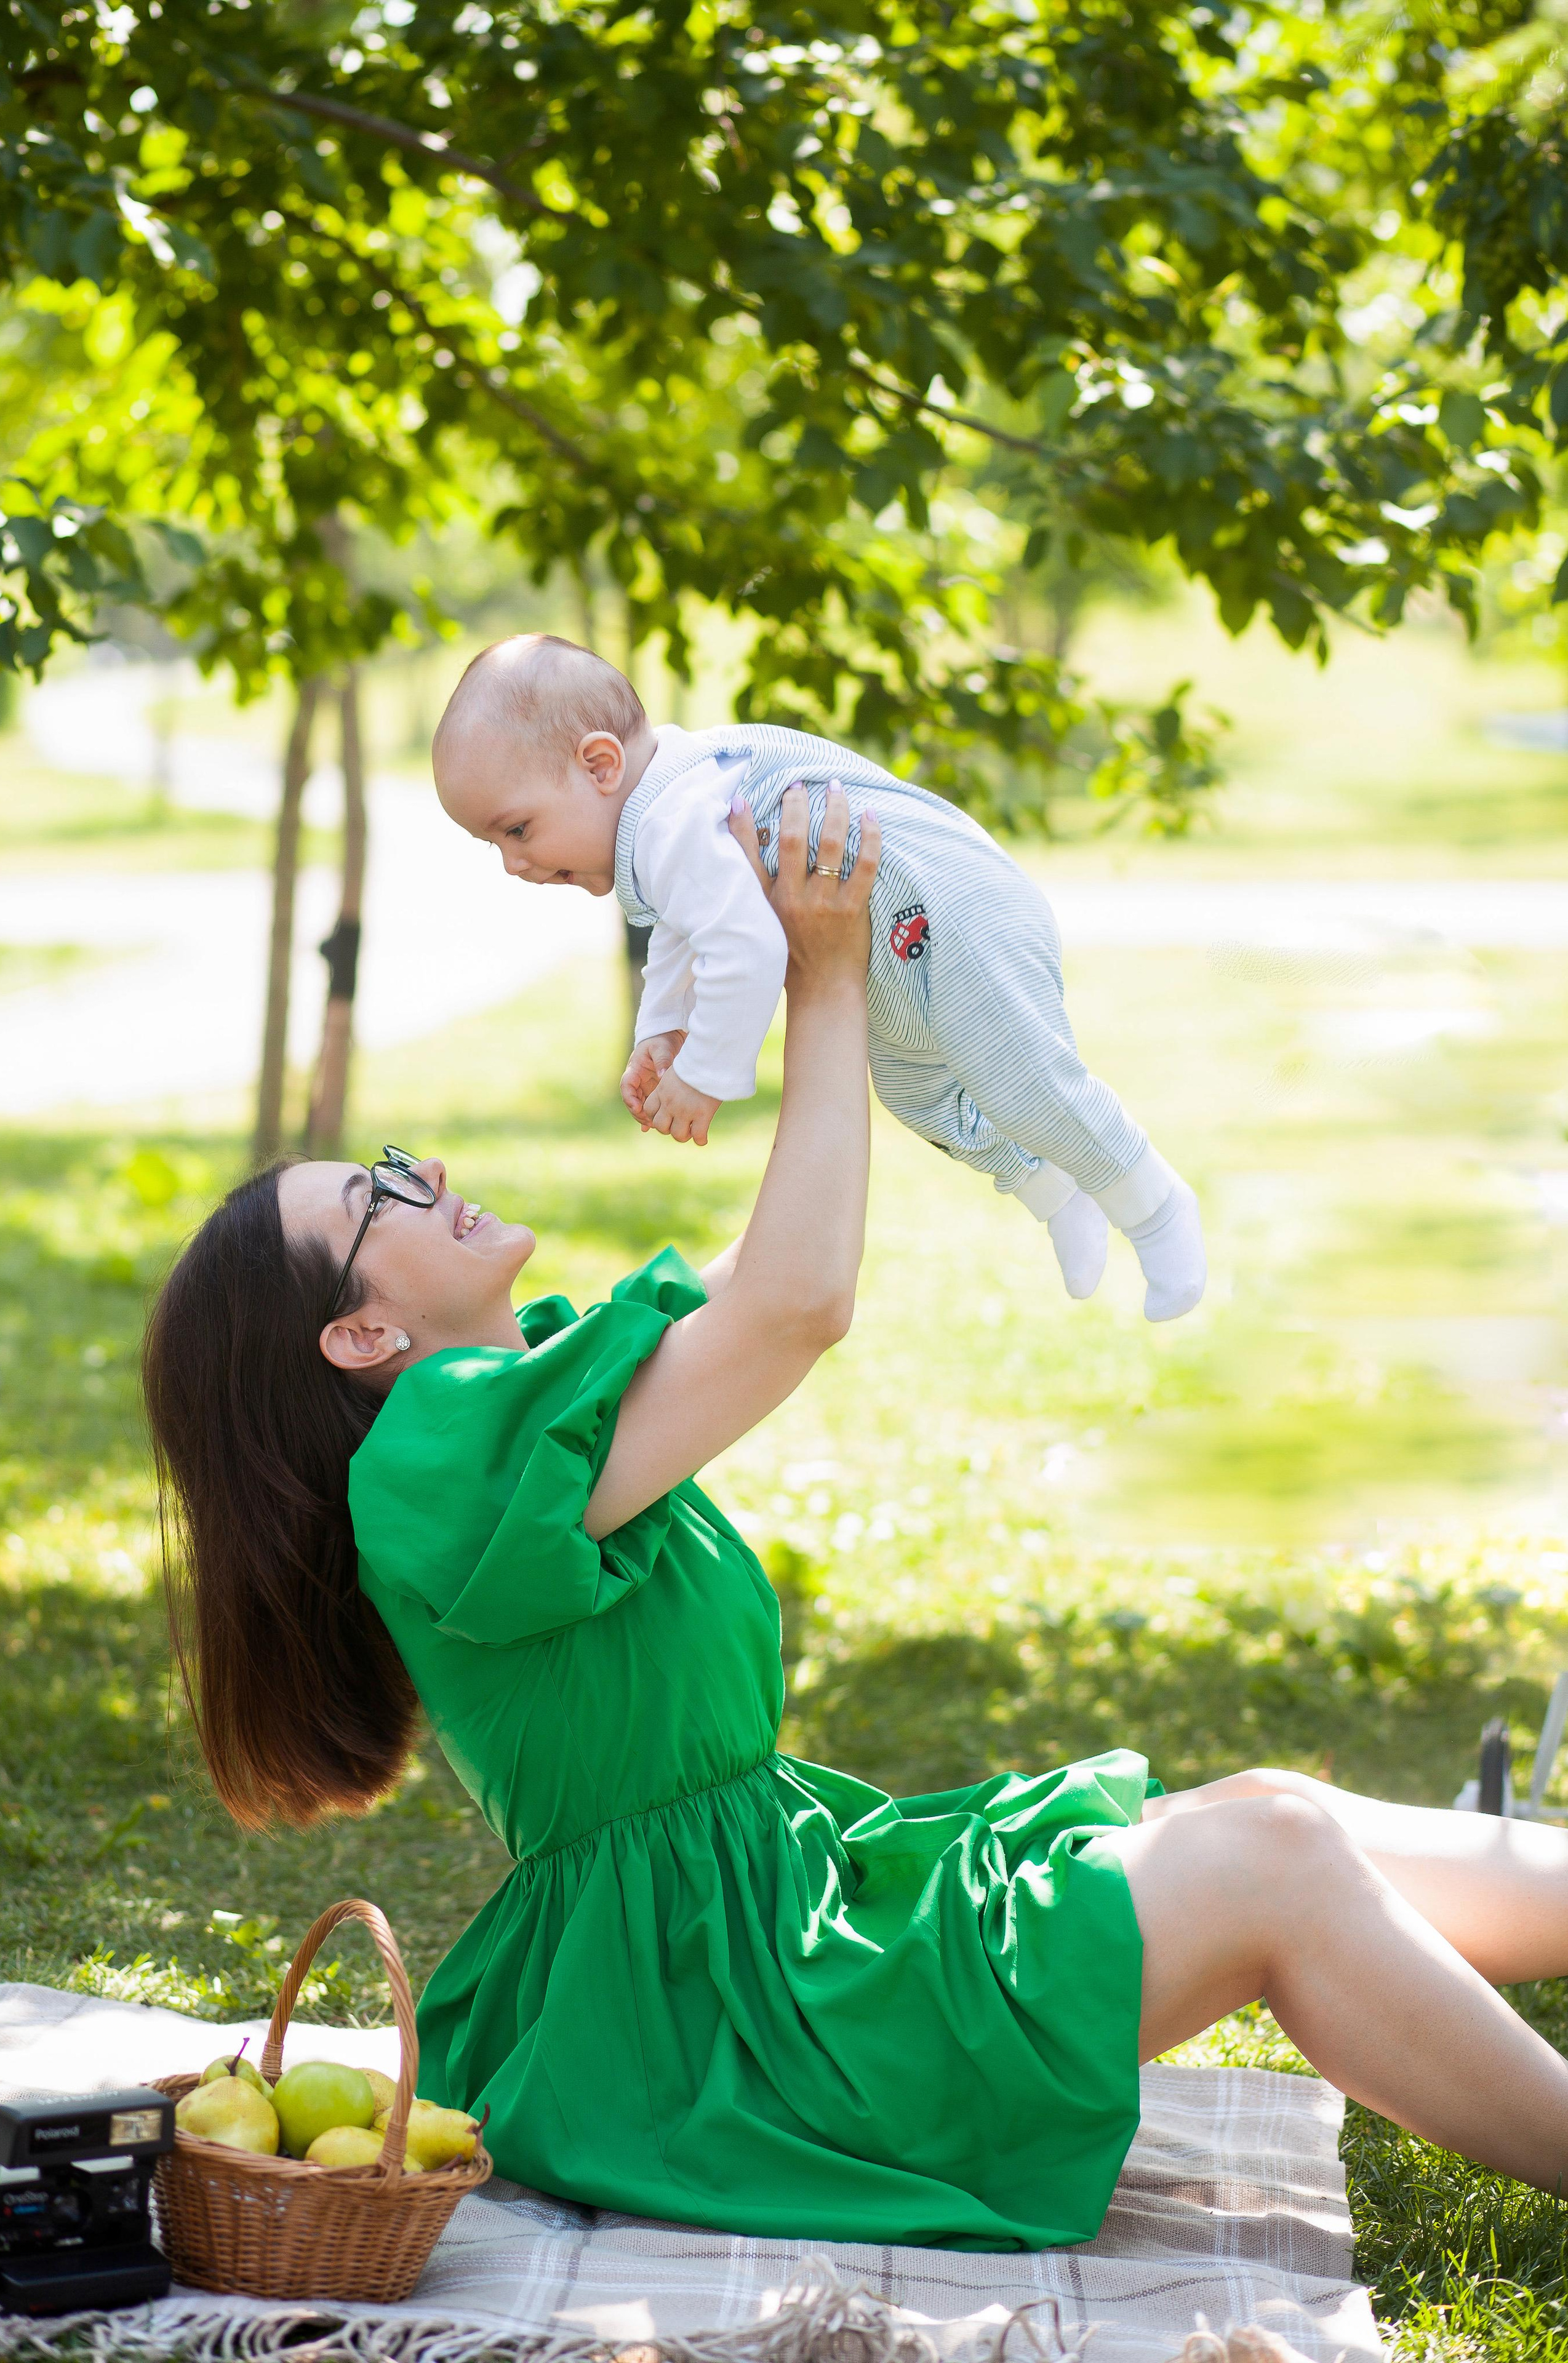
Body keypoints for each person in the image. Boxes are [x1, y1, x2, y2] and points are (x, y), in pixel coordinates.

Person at [145, 788, 1568, 2249]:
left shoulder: (521, 1403)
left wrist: (771, 976)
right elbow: (798, 1303)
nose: (424, 1170)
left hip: (779, 1922)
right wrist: (822, 979)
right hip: (733, 2012)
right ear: (359, 1335)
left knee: (1280, 1812)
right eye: (375, 1197)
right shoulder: (435, 1463)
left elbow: (760, 1273)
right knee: (1270, 1857)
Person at [431, 633, 1206, 1323]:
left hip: (950, 907)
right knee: (919, 1095)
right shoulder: (661, 816)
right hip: (896, 948)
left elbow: (746, 948)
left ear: (599, 765)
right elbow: (686, 926)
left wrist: (702, 1075)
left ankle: (1155, 1204)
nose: (514, 863)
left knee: (1023, 1083)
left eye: (518, 828)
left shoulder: (669, 815)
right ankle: (1050, 1192)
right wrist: (661, 1030)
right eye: (491, 844)